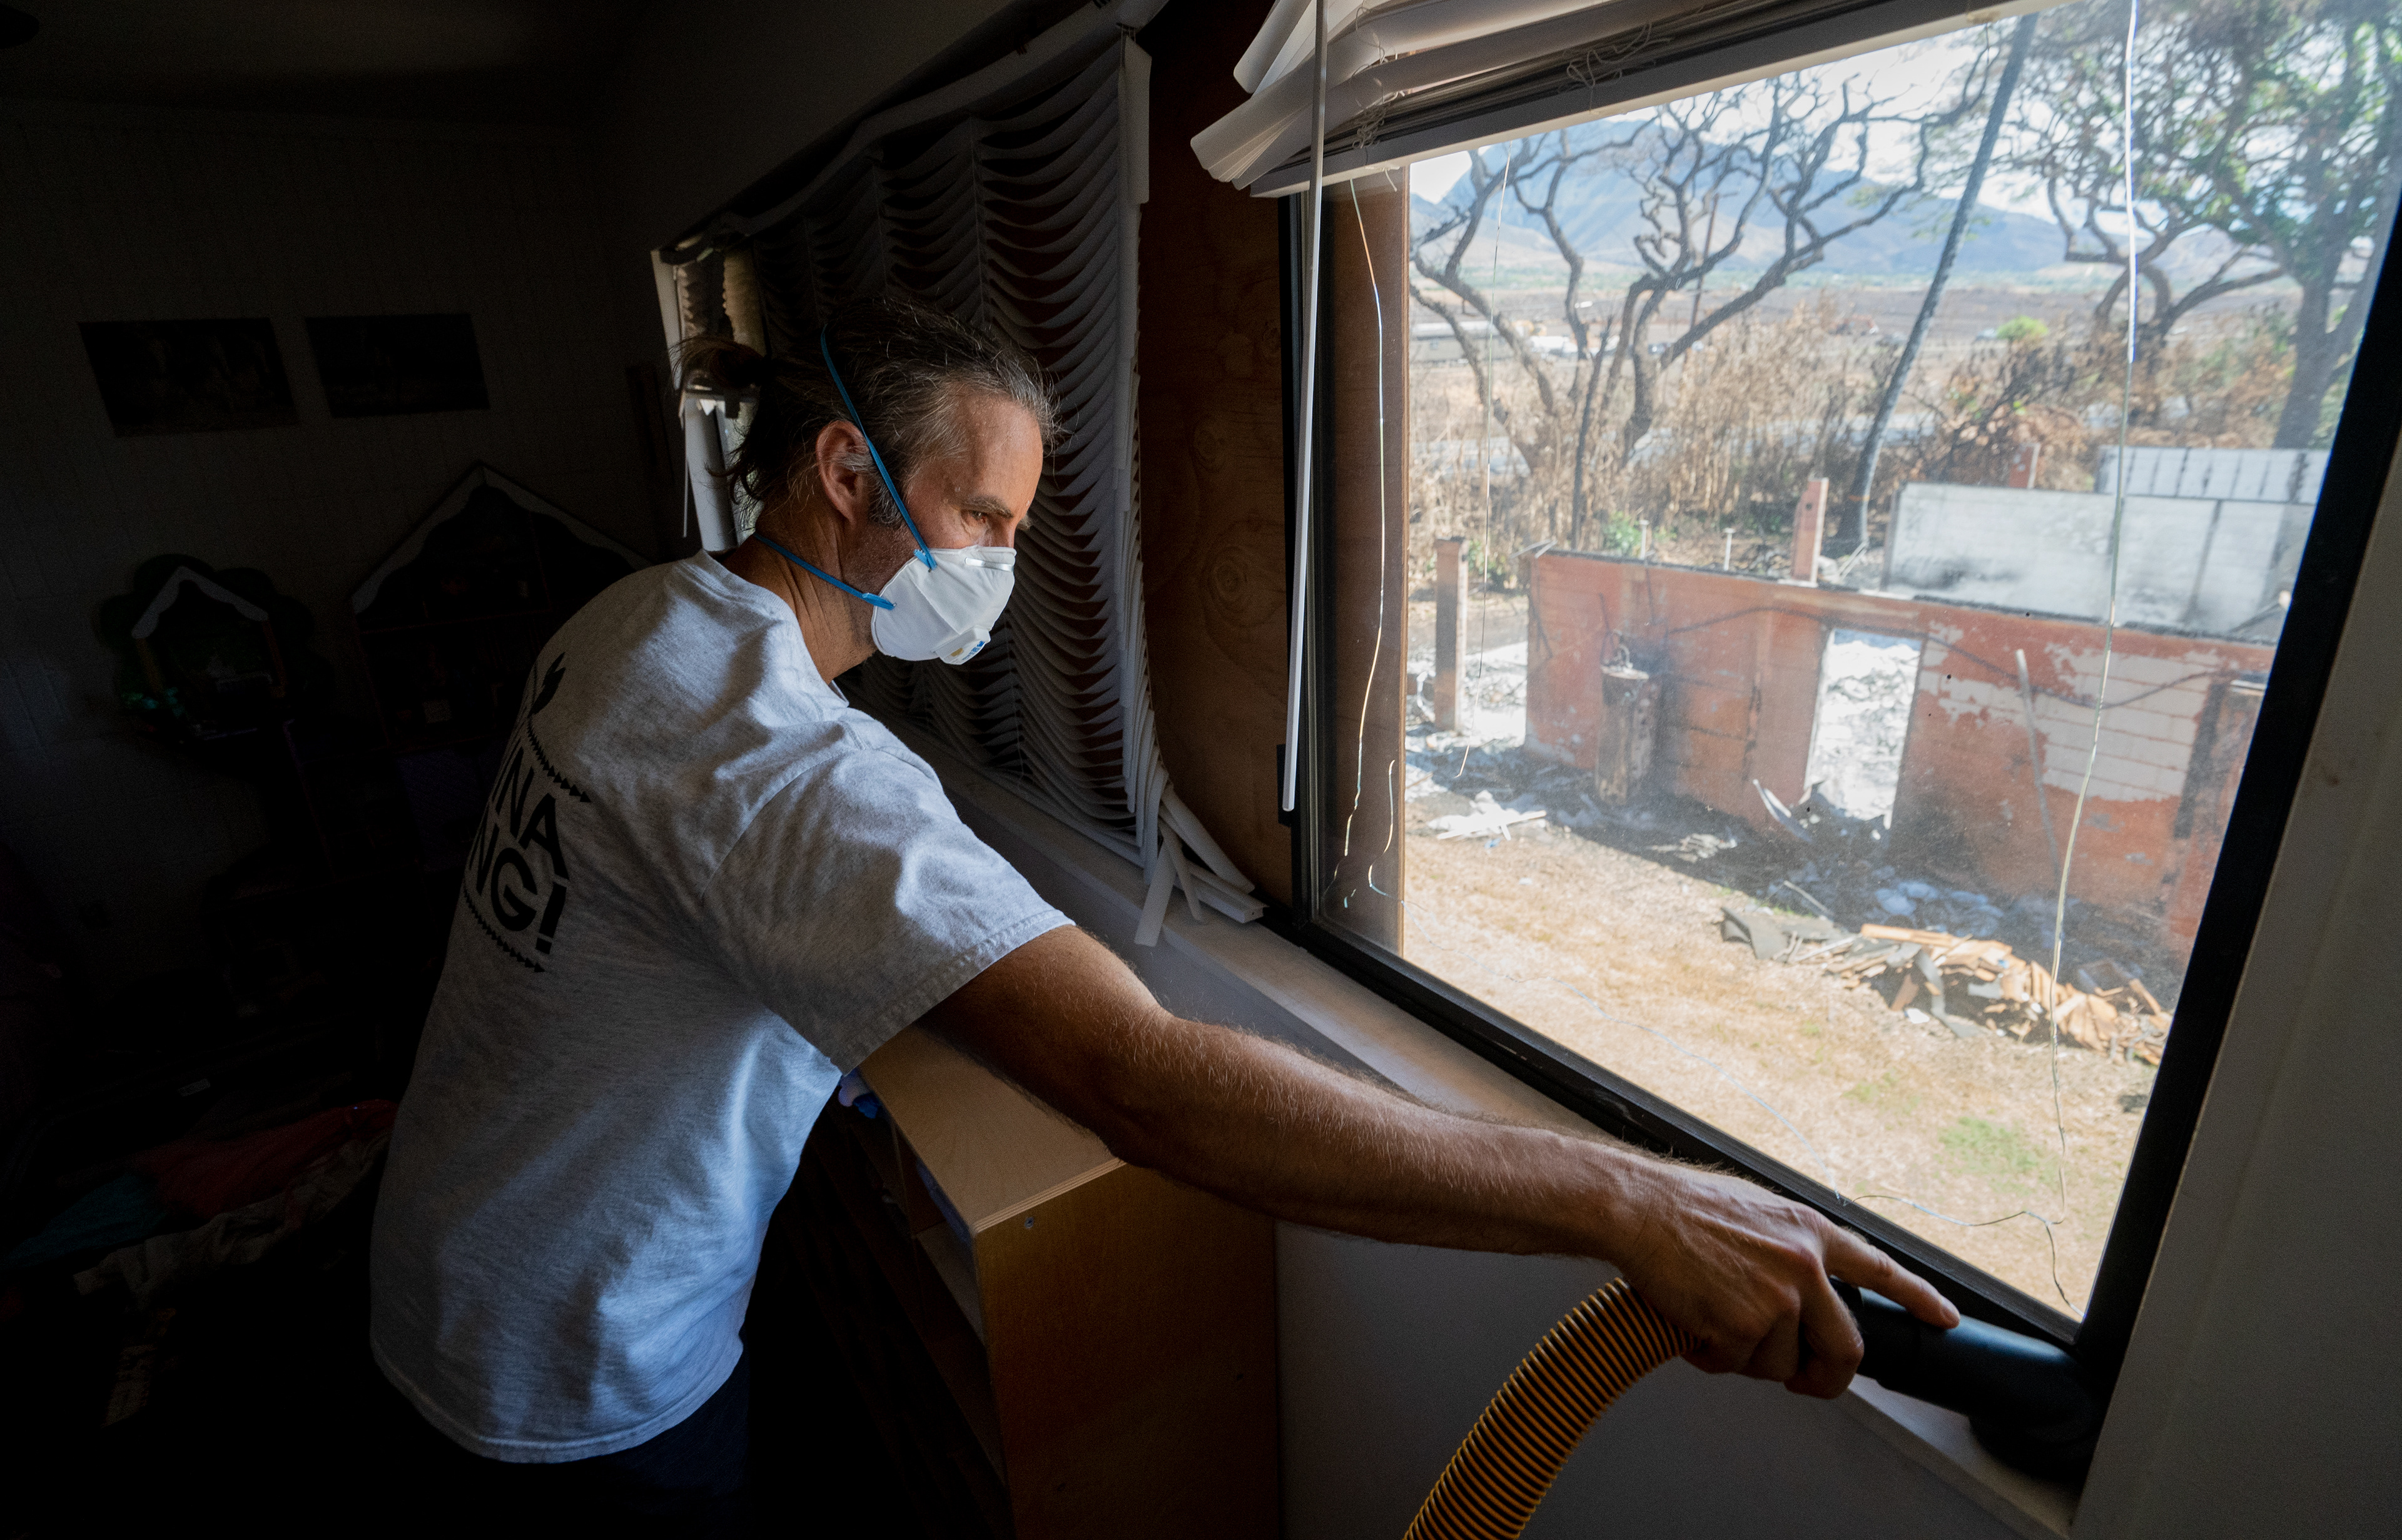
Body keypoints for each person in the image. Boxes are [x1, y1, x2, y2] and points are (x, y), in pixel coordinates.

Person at [369, 293, 1954, 1529]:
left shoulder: (645, 617)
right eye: (984, 518)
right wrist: (1632, 1198)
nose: (1002, 563)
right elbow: (1144, 1082)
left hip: (450, 1254)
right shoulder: (775, 757)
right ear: (848, 473)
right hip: (570, 1372)